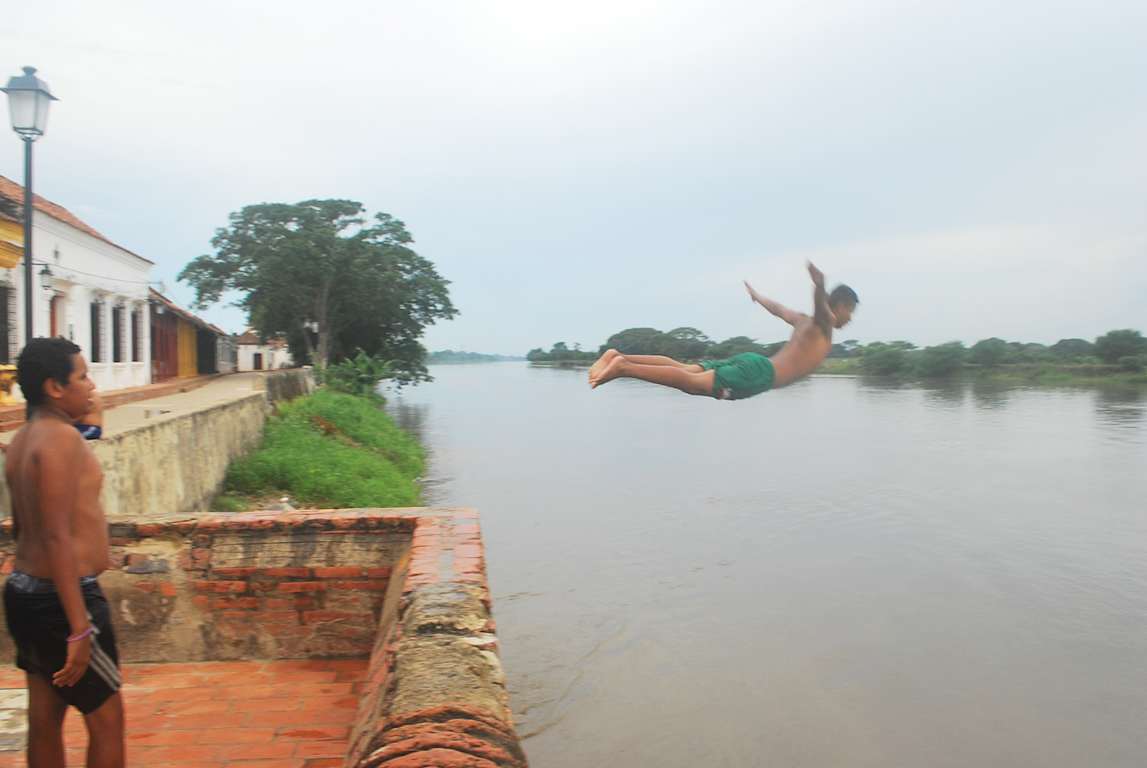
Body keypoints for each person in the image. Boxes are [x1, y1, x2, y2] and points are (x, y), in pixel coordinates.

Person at [3, 337, 124, 768]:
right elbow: (56, 535)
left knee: (45, 715)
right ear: (55, 387)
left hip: (25, 590)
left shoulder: (22, 441)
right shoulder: (61, 441)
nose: (92, 385)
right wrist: (78, 628)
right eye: (83, 376)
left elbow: (22, 527)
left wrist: (84, 406)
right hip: (63, 598)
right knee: (107, 721)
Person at [588, 262, 858, 399]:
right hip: (759, 375)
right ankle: (622, 367)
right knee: (691, 384)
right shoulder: (823, 328)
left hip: (754, 363)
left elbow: (778, 308)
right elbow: (823, 310)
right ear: (842, 305)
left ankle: (616, 355)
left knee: (684, 369)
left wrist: (757, 296)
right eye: (851, 312)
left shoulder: (803, 321)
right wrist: (819, 285)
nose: (850, 319)